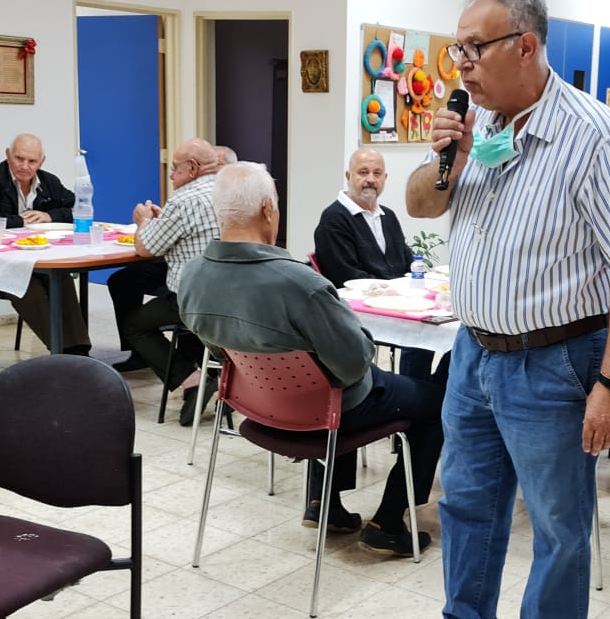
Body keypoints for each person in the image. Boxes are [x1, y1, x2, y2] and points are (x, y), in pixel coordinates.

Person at [385, 0, 610, 619]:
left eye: (475, 48)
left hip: (554, 359)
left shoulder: (594, 136)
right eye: (458, 48)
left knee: (559, 524)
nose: (461, 64)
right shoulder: (479, 127)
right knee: (468, 501)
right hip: (474, 352)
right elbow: (421, 204)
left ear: (526, 46)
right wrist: (444, 154)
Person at [177, 162, 445, 555]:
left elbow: (220, 351)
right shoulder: (300, 284)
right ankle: (389, 521)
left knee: (323, 376)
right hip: (328, 410)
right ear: (269, 208)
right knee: (435, 402)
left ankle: (324, 502)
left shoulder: (192, 277)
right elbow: (354, 363)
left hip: (259, 406)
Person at [120, 139, 222, 424]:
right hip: (232, 296)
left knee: (134, 324)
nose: (170, 174)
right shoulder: (228, 190)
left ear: (192, 168)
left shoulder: (184, 199)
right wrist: (163, 221)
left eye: (175, 168)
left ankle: (191, 379)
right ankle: (209, 376)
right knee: (128, 282)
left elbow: (145, 248)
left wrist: (143, 221)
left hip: (193, 299)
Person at [0, 134, 89, 354]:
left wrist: (50, 216)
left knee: (62, 279)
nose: (24, 166)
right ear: (8, 155)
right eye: (19, 159)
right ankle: (63, 352)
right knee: (25, 285)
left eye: (32, 161)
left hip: (38, 258)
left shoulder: (49, 181)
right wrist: (20, 221)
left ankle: (80, 351)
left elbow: (78, 208)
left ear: (42, 161)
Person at [313, 147, 433, 378]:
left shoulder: (387, 215)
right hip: (362, 310)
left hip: (397, 302)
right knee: (421, 333)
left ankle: (423, 394)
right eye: (363, 172)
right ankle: (417, 394)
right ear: (349, 176)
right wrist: (398, 291)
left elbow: (406, 259)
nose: (370, 180)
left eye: (377, 173)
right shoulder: (334, 219)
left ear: (385, 179)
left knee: (440, 329)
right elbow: (346, 276)